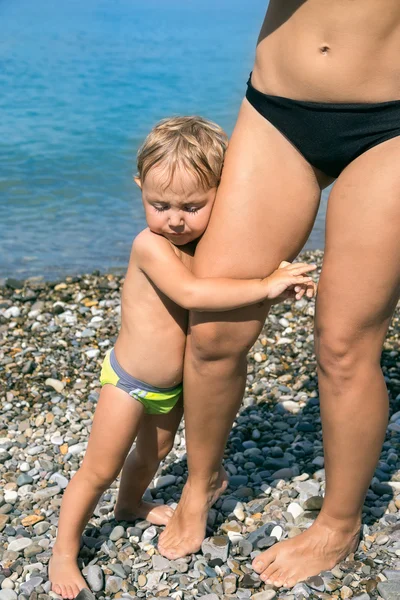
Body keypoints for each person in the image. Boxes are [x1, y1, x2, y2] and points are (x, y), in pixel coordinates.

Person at [158, 0, 400, 590]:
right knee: (215, 330)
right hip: (277, 110)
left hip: (393, 123)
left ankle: (338, 524)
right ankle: (201, 480)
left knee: (343, 344)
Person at [49, 116, 316, 599]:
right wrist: (264, 285)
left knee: (152, 454)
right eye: (159, 204)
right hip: (129, 382)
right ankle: (63, 551)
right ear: (139, 188)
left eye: (192, 206)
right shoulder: (150, 246)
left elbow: (220, 292)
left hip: (170, 389)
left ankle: (130, 506)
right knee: (99, 468)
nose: (174, 218)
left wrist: (271, 293)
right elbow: (193, 293)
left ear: (222, 194)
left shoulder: (202, 247)